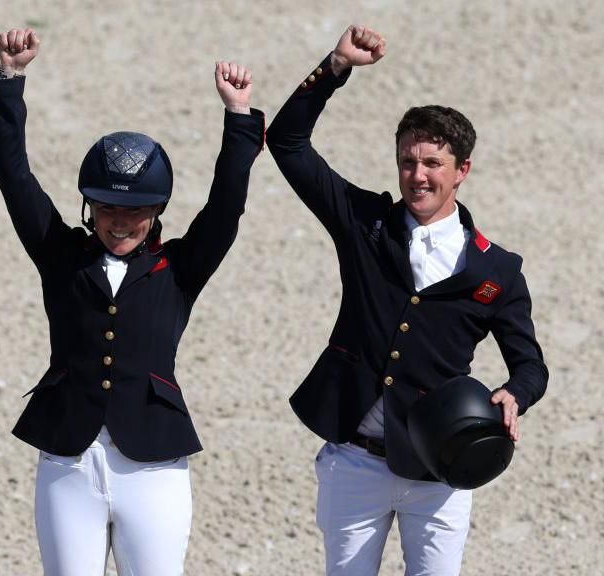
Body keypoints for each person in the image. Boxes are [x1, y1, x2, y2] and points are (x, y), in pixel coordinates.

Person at [266, 25, 548, 575]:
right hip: (353, 463)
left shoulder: (497, 271)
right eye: (407, 162)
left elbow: (531, 365)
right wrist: (335, 66)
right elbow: (287, 143)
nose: (417, 176)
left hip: (441, 467)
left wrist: (516, 393)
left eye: (433, 164)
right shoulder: (365, 222)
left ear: (461, 171)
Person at [0, 28, 264, 575]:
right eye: (108, 208)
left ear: (157, 210)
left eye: (136, 211)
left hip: (153, 464)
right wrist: (10, 82)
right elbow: (13, 175)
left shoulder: (180, 266)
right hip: (68, 458)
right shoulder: (60, 254)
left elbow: (227, 206)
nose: (122, 222)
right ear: (89, 206)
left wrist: (238, 118)